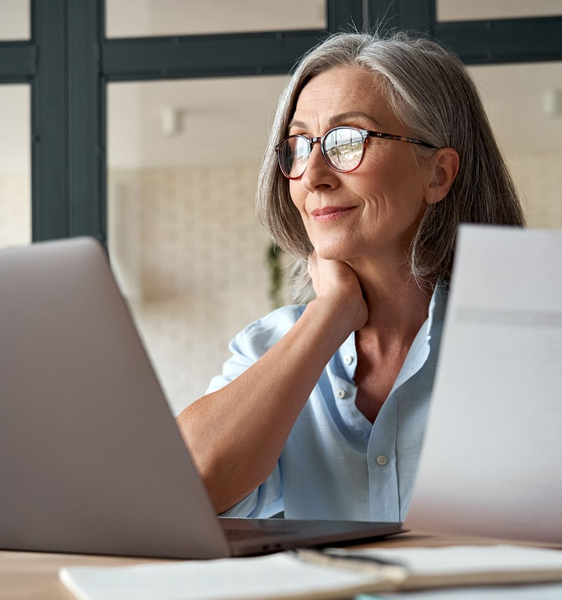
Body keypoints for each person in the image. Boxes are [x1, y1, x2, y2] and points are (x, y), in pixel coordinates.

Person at [176, 31, 525, 522]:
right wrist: (330, 315)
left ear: (438, 175)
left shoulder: (530, 339)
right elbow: (182, 491)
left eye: (349, 140)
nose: (313, 173)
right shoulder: (270, 348)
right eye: (298, 146)